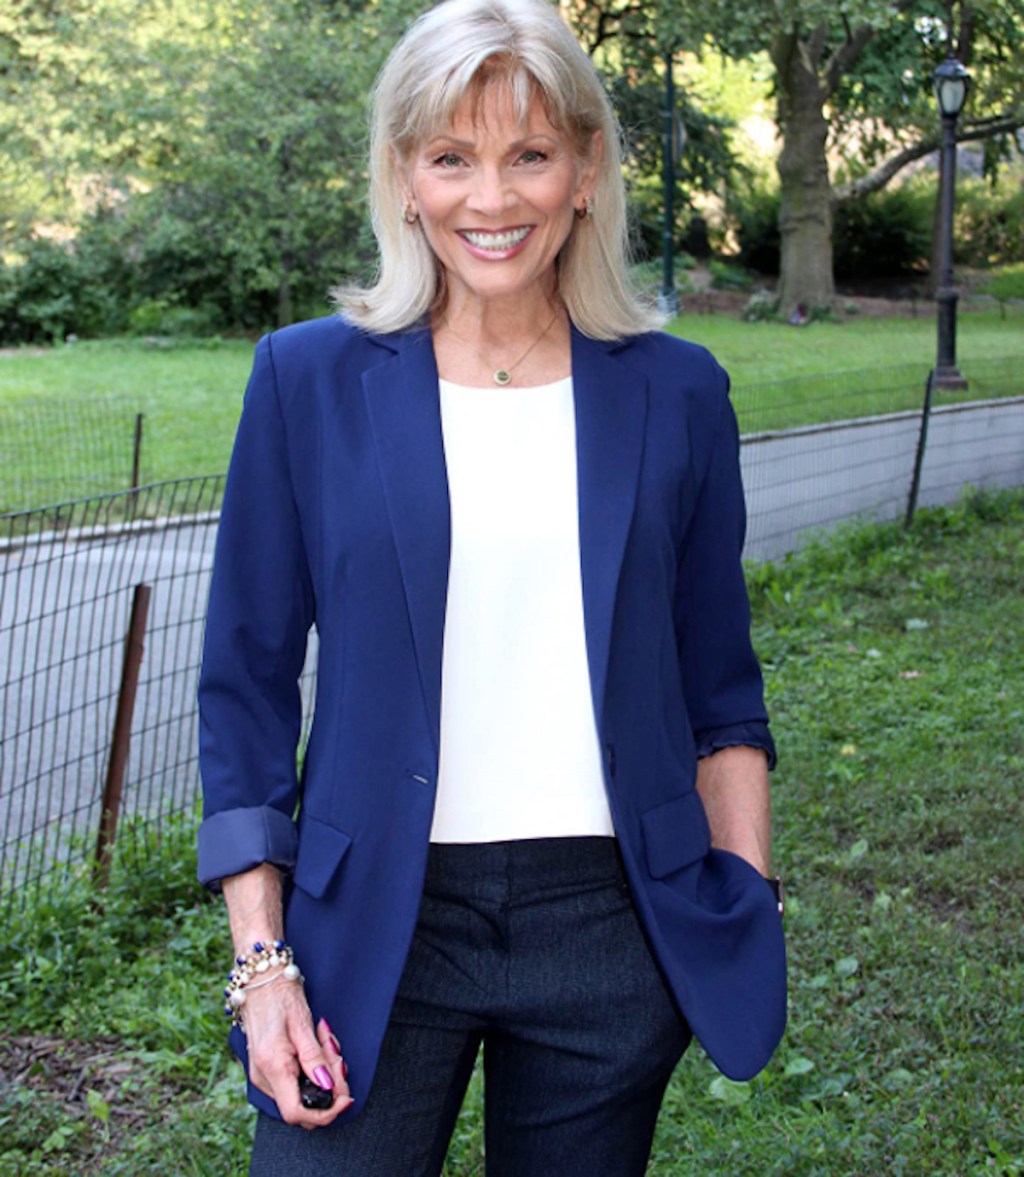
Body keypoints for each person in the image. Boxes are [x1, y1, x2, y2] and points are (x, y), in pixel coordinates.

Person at [197, 0, 786, 1172]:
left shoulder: (678, 395)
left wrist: (743, 898)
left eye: (529, 154)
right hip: (373, 924)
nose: (492, 198)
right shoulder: (306, 381)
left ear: (584, 171)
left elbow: (720, 688)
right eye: (451, 156)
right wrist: (262, 964)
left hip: (609, 921)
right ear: (404, 178)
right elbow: (245, 685)